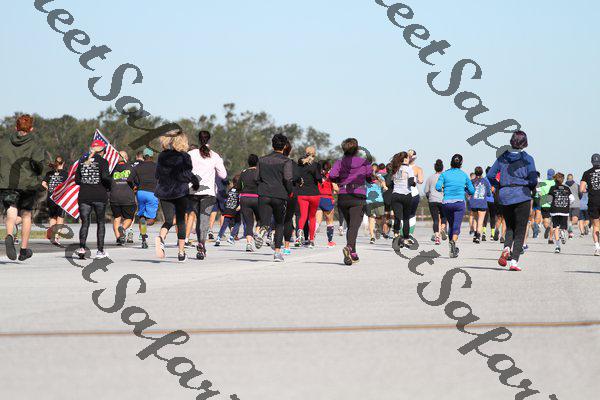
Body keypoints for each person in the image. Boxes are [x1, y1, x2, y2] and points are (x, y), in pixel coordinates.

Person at [487, 131, 537, 271]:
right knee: (520, 229)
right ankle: (514, 262)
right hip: (522, 194)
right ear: (525, 143)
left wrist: (498, 185)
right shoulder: (528, 158)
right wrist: (530, 187)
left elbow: (490, 175)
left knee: (509, 226)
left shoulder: (502, 157)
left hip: (505, 194)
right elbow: (533, 179)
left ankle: (507, 248)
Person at [0, 114, 44, 261]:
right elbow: (38, 164)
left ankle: (9, 235)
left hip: (8, 182)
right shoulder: (34, 145)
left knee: (11, 209)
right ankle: (23, 250)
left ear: (15, 127)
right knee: (26, 215)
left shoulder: (4, 143)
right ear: (31, 129)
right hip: (27, 183)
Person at [154, 130, 199, 262]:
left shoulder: (162, 156)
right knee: (180, 221)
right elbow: (187, 174)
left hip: (164, 191)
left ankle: (161, 238)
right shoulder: (185, 156)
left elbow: (157, 174)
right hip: (179, 192)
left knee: (168, 220)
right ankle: (181, 252)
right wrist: (195, 182)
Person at [329, 138, 373, 265]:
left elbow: (332, 176)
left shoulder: (339, 162)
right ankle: (349, 247)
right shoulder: (364, 162)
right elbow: (369, 177)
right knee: (354, 226)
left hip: (343, 196)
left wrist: (340, 179)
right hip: (358, 196)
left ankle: (353, 253)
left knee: (350, 227)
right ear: (357, 149)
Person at [188, 130, 227, 260]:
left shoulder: (191, 154)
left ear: (198, 139)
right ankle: (201, 244)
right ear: (209, 139)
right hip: (208, 192)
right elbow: (223, 175)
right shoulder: (215, 156)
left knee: (199, 219)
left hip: (193, 191)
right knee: (204, 219)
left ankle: (201, 243)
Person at [255, 133, 294, 262]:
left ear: (272, 145)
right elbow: (288, 179)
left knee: (265, 221)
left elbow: (256, 178)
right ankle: (277, 253)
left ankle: (262, 230)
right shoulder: (286, 161)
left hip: (264, 194)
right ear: (285, 146)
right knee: (279, 224)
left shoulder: (261, 160)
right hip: (279, 195)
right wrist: (290, 192)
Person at [75, 140, 113, 259]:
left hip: (84, 195)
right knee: (100, 222)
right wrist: (111, 184)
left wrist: (87, 182)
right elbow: (105, 177)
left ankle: (82, 248)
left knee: (85, 223)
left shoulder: (82, 161)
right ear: (102, 151)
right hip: (99, 195)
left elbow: (77, 180)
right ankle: (100, 251)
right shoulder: (103, 161)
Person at [436, 154, 475, 258]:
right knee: (456, 225)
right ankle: (453, 242)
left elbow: (438, 187)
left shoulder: (444, 174)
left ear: (451, 162)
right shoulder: (464, 175)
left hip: (447, 204)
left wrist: (444, 188)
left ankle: (452, 249)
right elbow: (472, 191)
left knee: (451, 225)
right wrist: (465, 189)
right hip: (459, 203)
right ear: (461, 164)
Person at [130, 148, 158, 249]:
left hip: (140, 193)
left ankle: (143, 240)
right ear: (152, 156)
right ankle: (145, 223)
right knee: (152, 219)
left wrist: (134, 186)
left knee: (142, 215)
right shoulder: (156, 166)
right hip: (152, 193)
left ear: (143, 156)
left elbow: (129, 179)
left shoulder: (137, 167)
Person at [296, 146, 322, 248]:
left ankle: (299, 234)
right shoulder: (316, 165)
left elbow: (296, 176)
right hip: (314, 194)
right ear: (314, 154)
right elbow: (318, 178)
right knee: (312, 217)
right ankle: (311, 240)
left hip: (302, 194)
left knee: (303, 216)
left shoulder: (300, 164)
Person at [110, 151, 136, 246]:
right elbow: (135, 182)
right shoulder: (131, 168)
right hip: (127, 197)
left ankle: (118, 238)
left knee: (117, 218)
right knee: (129, 218)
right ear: (126, 158)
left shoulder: (112, 169)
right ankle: (123, 228)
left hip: (114, 197)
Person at [390, 151, 415, 246]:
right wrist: (414, 183)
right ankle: (406, 238)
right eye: (408, 158)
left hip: (396, 195)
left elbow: (390, 183)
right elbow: (411, 182)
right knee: (406, 218)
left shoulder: (395, 169)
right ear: (405, 159)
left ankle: (396, 235)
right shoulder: (409, 169)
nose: (409, 159)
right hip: (406, 195)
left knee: (397, 217)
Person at [42, 156, 68, 246]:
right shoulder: (66, 174)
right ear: (63, 163)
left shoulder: (49, 173)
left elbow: (43, 183)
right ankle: (56, 237)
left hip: (51, 197)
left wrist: (49, 189)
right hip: (60, 198)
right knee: (60, 217)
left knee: (53, 217)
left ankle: (52, 235)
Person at [238, 154, 260, 252]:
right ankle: (257, 233)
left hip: (245, 198)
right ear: (257, 162)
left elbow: (238, 186)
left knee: (249, 222)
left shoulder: (243, 172)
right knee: (261, 219)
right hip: (257, 198)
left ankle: (249, 243)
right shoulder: (259, 173)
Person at [580, 153, 600, 256]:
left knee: (596, 225)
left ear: (592, 162)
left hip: (593, 201)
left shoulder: (587, 173)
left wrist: (589, 189)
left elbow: (581, 189)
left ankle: (597, 248)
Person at [548, 172, 573, 254]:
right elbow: (572, 199)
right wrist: (568, 204)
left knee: (555, 227)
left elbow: (549, 199)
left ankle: (557, 247)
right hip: (564, 210)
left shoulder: (552, 188)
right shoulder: (567, 188)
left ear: (555, 180)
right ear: (563, 180)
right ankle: (562, 231)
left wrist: (551, 204)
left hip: (554, 210)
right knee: (563, 227)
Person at [315, 160, 338, 247]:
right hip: (327, 199)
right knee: (329, 221)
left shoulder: (316, 176)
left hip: (317, 198)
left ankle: (311, 238)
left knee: (317, 221)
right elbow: (335, 188)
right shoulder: (330, 176)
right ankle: (330, 241)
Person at [425, 159, 447, 245]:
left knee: (435, 220)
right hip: (443, 200)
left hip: (432, 200)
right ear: (442, 168)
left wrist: (429, 198)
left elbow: (426, 191)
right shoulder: (445, 177)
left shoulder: (430, 178)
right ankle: (443, 229)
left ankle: (437, 238)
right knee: (444, 217)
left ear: (435, 168)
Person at [215, 175, 241, 246]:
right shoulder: (239, 190)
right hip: (235, 210)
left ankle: (218, 238)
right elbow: (240, 199)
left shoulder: (230, 190)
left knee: (224, 225)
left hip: (227, 209)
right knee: (238, 223)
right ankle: (231, 237)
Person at [469, 166, 492, 244]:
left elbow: (468, 191)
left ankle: (475, 234)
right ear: (482, 173)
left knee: (476, 219)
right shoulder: (485, 182)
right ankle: (478, 235)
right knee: (480, 220)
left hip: (474, 203)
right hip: (482, 203)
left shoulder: (472, 181)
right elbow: (489, 193)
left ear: (475, 173)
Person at [366, 163, 387, 244]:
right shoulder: (366, 177)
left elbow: (383, 184)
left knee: (379, 217)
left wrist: (384, 186)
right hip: (369, 200)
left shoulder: (380, 177)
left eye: (375, 168)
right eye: (372, 168)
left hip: (379, 200)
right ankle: (372, 237)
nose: (373, 170)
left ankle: (378, 228)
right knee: (371, 218)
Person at [407, 150, 423, 235]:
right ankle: (410, 233)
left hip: (404, 193)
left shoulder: (401, 168)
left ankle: (403, 234)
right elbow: (421, 181)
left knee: (404, 214)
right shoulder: (418, 169)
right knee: (412, 214)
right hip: (414, 194)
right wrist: (415, 179)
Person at [538, 169, 556, 243]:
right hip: (553, 204)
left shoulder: (542, 183)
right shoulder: (555, 183)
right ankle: (550, 239)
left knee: (545, 220)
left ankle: (547, 227)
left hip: (544, 203)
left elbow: (538, 193)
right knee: (552, 222)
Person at [566, 173, 580, 239]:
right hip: (576, 204)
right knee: (575, 220)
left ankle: (570, 230)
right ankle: (570, 232)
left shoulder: (564, 186)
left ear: (567, 179)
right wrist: (577, 198)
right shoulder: (577, 185)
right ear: (572, 178)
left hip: (567, 204)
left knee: (568, 220)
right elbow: (580, 194)